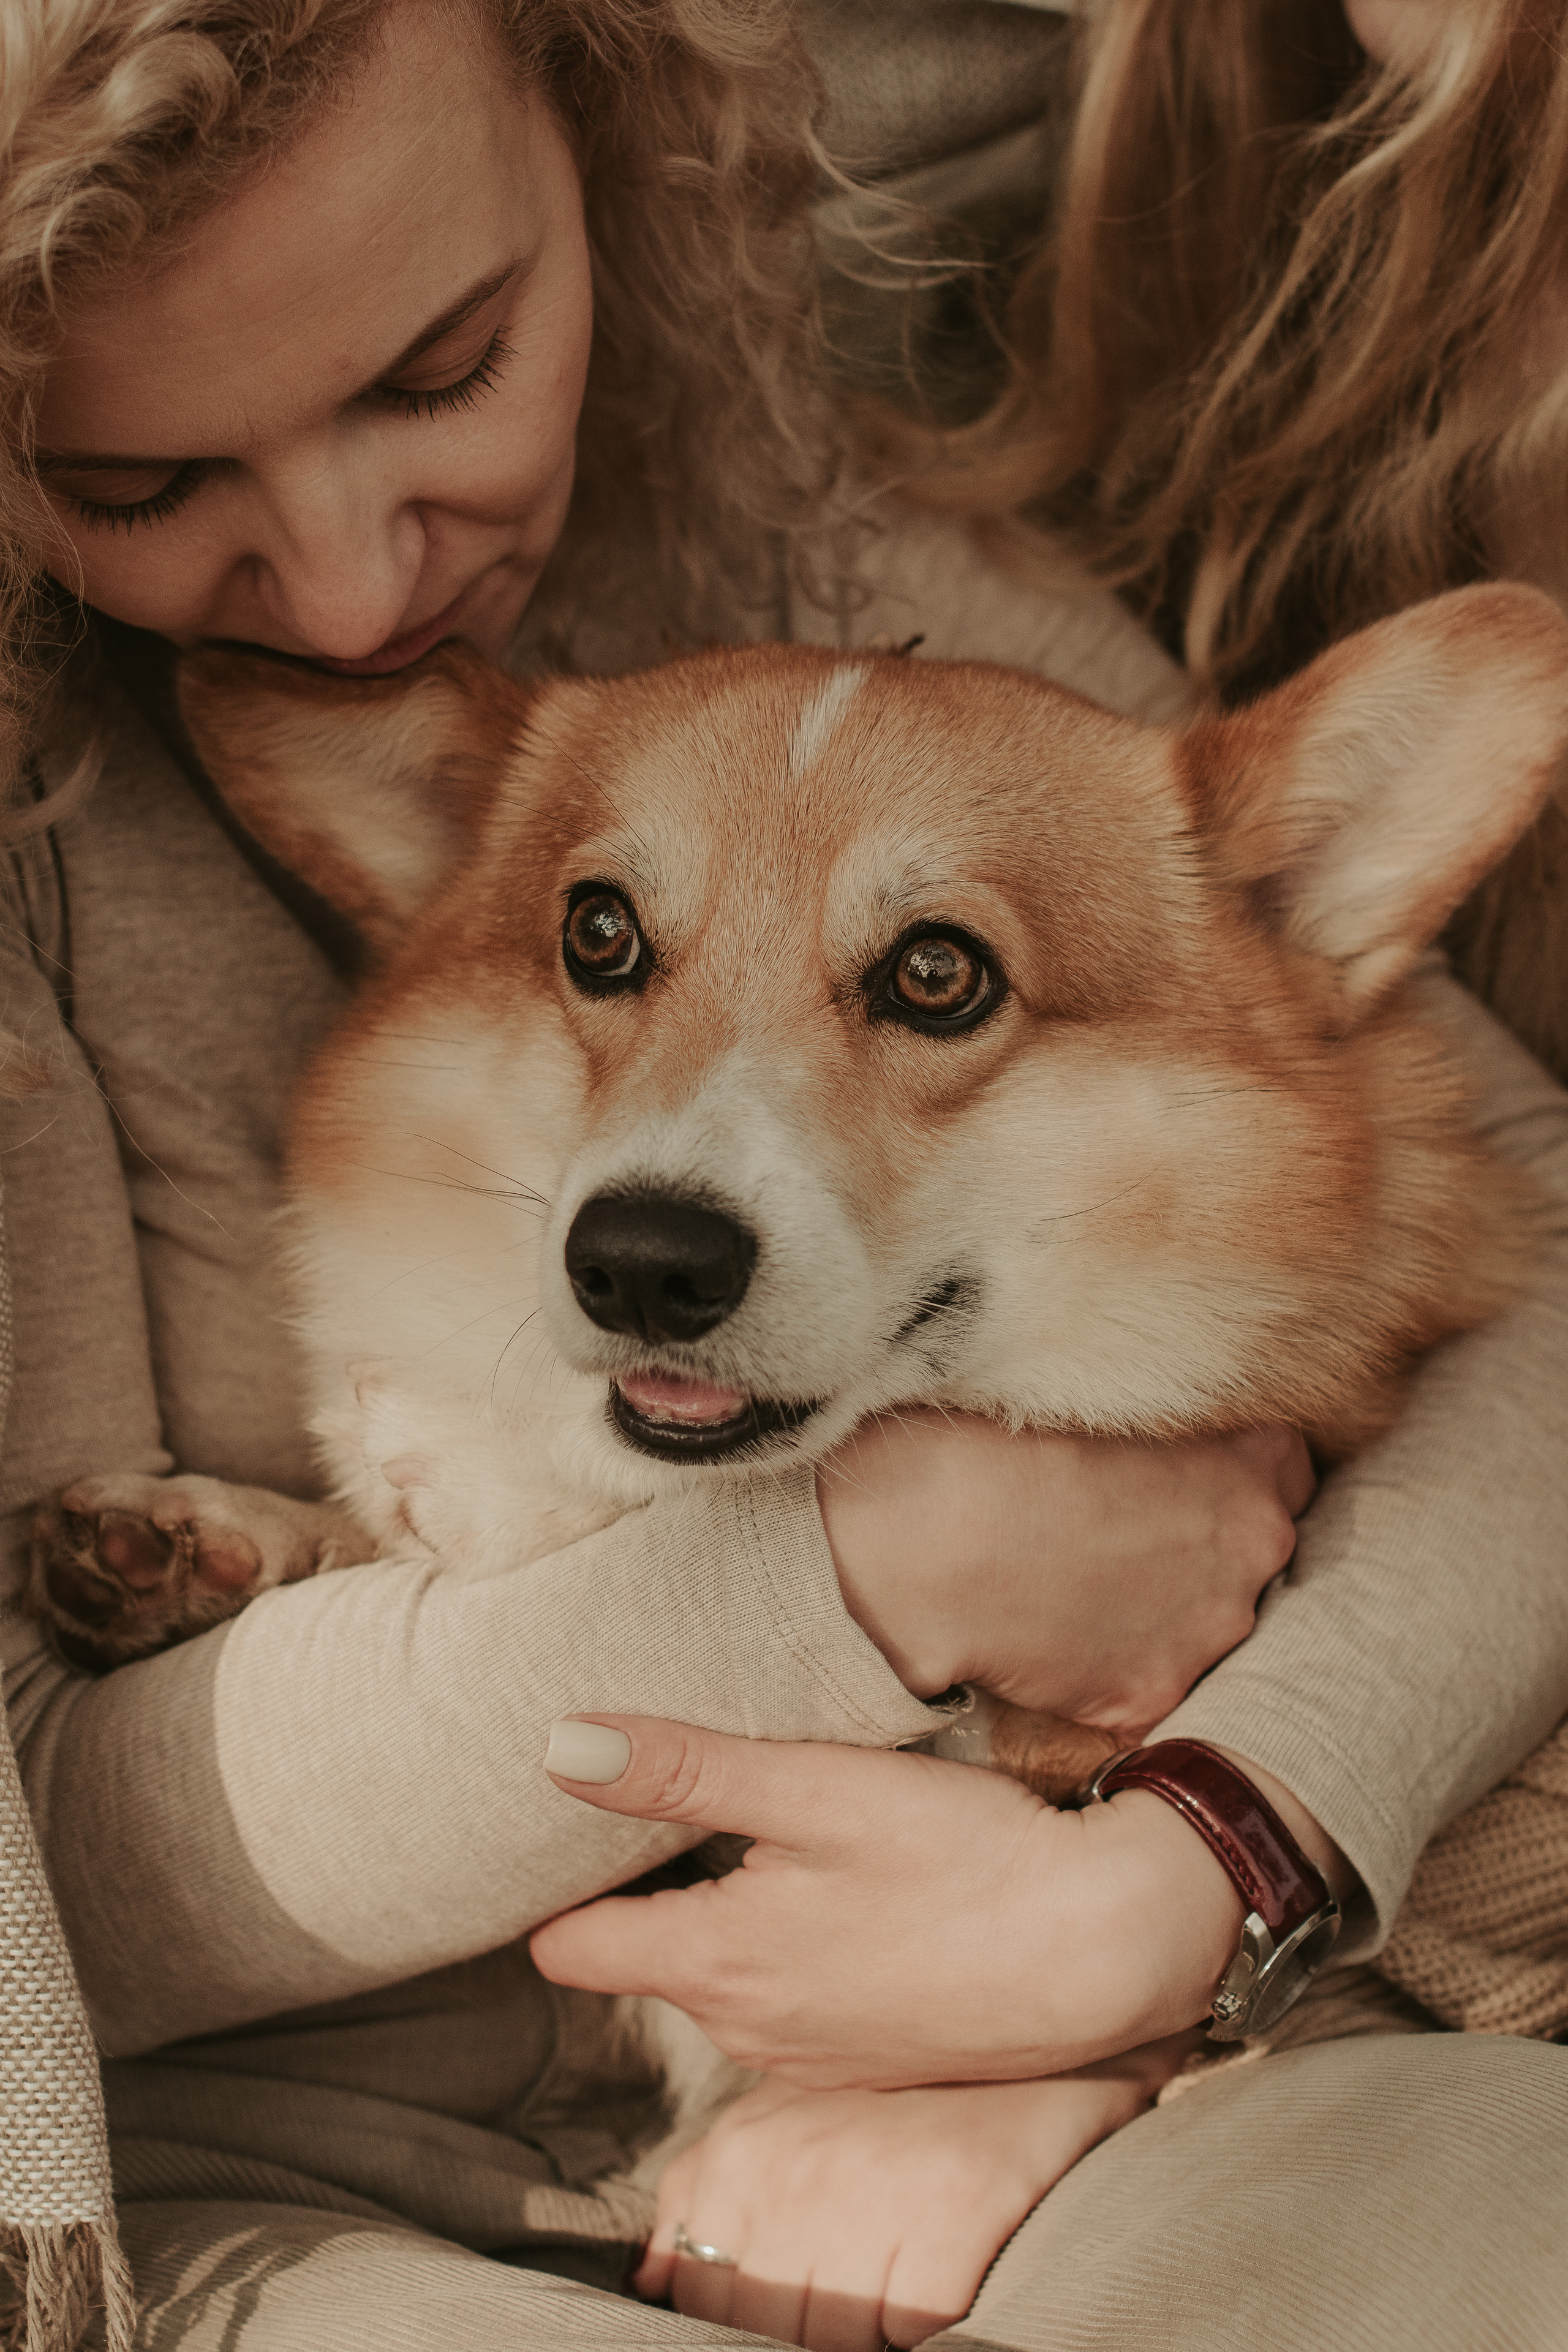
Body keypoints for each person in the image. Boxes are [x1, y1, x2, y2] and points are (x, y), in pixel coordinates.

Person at [0, 2, 1564, 2348]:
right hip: (308, 2200)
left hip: (1162, 2072)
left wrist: (1173, 1899)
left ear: (606, 154)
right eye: (131, 480)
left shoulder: (877, 569)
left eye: (444, 372)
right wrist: (866, 1575)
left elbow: (1522, 1242)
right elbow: (45, 1862)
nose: (339, 595)